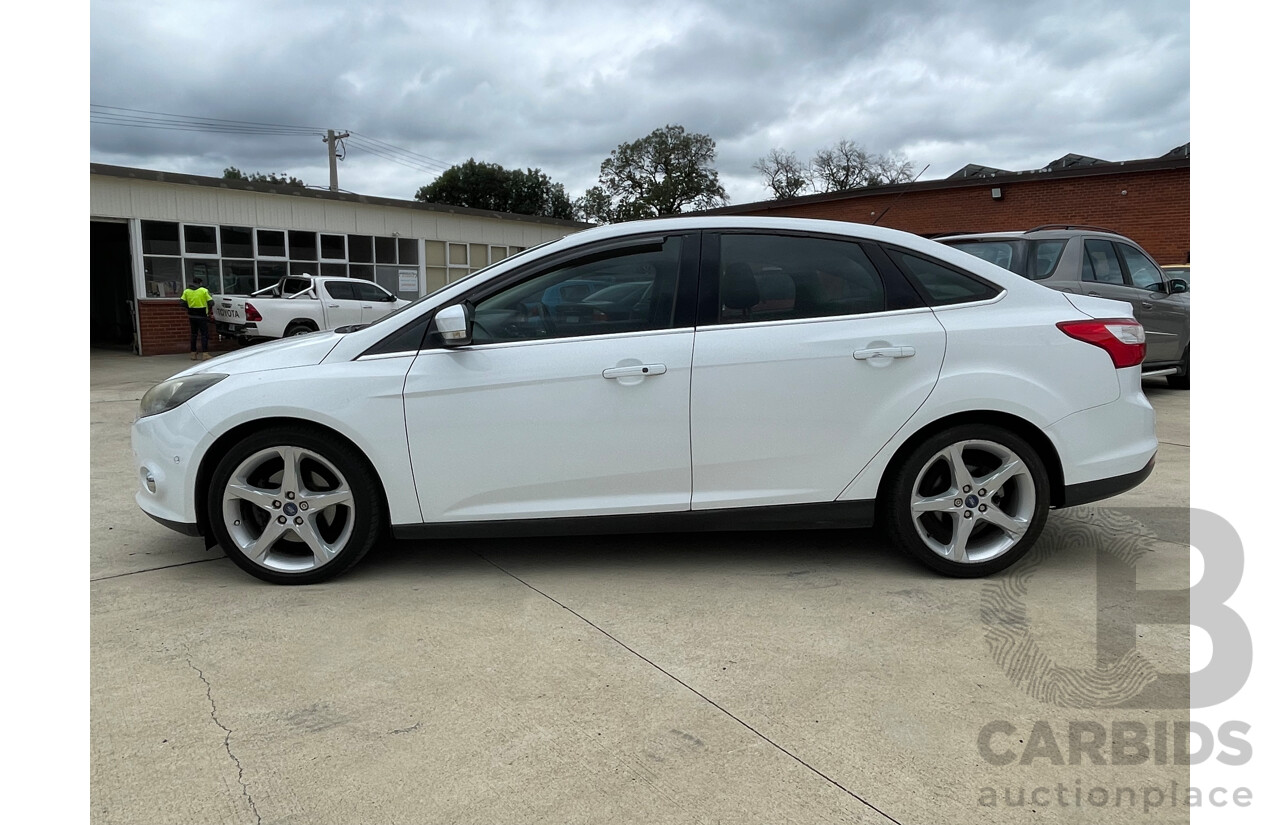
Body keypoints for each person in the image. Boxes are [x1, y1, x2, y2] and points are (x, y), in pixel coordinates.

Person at [180, 277, 214, 360]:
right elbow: (211, 302)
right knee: (204, 335)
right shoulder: (203, 290)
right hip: (202, 315)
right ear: (200, 283)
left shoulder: (186, 291)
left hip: (192, 315)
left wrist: (189, 307)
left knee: (193, 334)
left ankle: (193, 353)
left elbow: (181, 302)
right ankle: (205, 354)